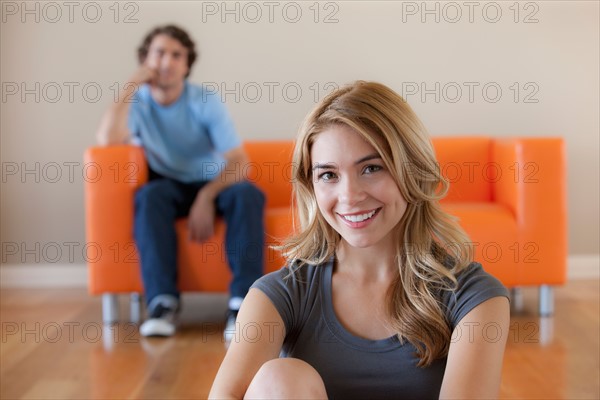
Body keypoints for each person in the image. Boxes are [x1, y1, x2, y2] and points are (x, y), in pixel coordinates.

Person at [209, 81, 510, 399]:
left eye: (371, 168)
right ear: (312, 186)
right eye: (328, 175)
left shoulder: (476, 298)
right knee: (278, 379)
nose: (349, 196)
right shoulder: (279, 294)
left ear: (413, 170)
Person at [96, 25, 265, 339]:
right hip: (169, 185)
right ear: (145, 59)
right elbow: (106, 141)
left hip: (213, 182)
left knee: (248, 195)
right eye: (159, 53)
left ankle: (242, 304)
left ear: (186, 66)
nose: (167, 62)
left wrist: (206, 197)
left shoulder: (204, 100)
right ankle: (163, 303)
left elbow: (240, 162)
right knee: (149, 197)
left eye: (177, 55)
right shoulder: (138, 103)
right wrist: (130, 86)